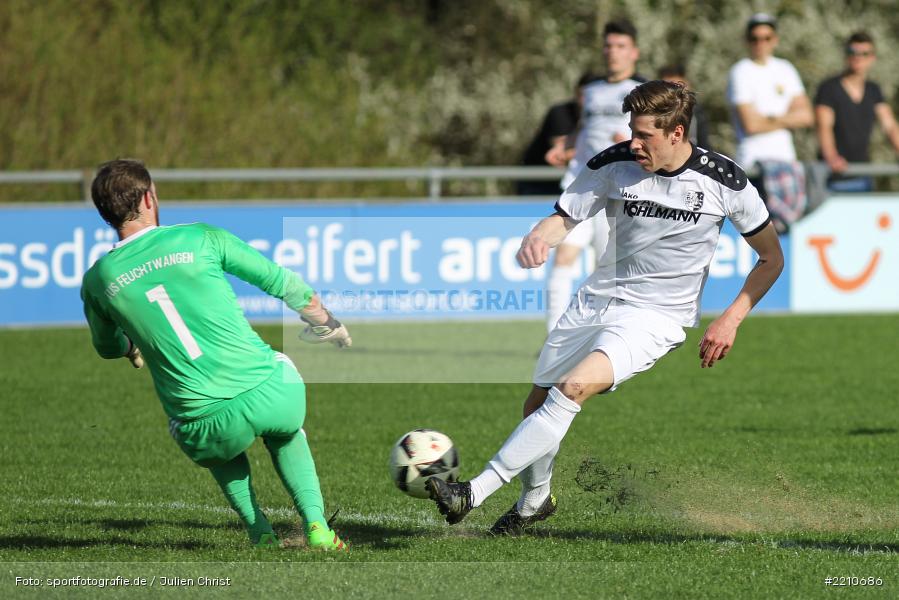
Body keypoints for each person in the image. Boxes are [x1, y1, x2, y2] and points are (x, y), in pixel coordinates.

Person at [426, 81, 784, 534]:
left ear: (676, 133)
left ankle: (472, 492)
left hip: (657, 317)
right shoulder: (614, 163)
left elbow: (772, 258)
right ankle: (535, 501)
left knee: (574, 387)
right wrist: (541, 233)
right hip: (596, 300)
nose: (634, 143)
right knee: (537, 403)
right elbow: (566, 216)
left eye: (645, 136)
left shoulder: (724, 180)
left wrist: (730, 320)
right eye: (631, 131)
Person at [81, 159, 351, 550]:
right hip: (270, 395)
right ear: (148, 197)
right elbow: (281, 282)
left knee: (205, 433)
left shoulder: (98, 280)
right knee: (286, 426)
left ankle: (260, 531)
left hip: (201, 424)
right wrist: (327, 321)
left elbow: (106, 347)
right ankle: (317, 528)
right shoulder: (201, 237)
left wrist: (129, 347)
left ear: (104, 213)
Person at [542, 19, 645, 333]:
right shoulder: (591, 90)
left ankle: (600, 334)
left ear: (634, 52)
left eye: (620, 46)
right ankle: (554, 338)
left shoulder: (642, 91)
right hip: (580, 188)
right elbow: (583, 132)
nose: (613, 52)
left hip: (616, 193)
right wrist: (566, 148)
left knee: (606, 269)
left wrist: (628, 144)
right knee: (562, 259)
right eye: (609, 46)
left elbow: (652, 139)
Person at [727, 13, 813, 232]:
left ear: (775, 39)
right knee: (758, 237)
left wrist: (770, 118)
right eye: (755, 38)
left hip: (786, 163)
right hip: (753, 166)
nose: (760, 43)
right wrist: (786, 118)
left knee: (784, 238)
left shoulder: (785, 69)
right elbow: (751, 125)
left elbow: (807, 116)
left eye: (766, 38)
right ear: (747, 41)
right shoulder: (741, 71)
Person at [814, 31, 899, 193]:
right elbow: (824, 127)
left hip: (862, 174)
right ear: (846, 55)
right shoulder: (829, 88)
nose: (858, 57)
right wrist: (832, 157)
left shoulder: (874, 90)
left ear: (872, 58)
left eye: (864, 53)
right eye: (853, 52)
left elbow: (890, 126)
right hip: (833, 177)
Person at [516, 73, 592, 196]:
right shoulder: (560, 113)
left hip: (570, 184)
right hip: (538, 184)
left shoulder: (603, 118)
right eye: (583, 95)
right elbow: (560, 154)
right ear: (576, 93)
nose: (586, 100)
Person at [657, 64, 712, 150]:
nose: (675, 91)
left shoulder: (697, 112)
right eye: (669, 86)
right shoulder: (653, 112)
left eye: (679, 85)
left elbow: (703, 142)